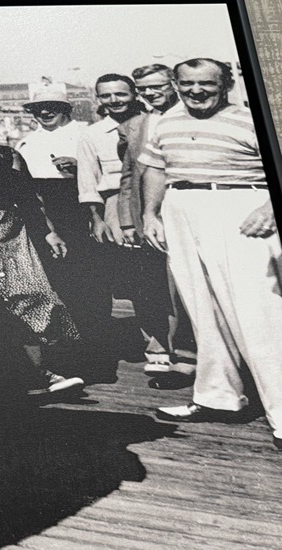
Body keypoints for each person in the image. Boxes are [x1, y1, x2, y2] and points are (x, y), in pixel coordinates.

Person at [140, 58, 282, 451]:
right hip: (181, 208)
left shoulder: (252, 119)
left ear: (227, 84)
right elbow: (155, 169)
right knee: (202, 309)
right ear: (176, 84)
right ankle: (218, 396)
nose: (196, 91)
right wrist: (150, 213)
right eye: (187, 84)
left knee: (259, 315)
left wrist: (270, 208)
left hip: (240, 208)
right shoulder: (165, 120)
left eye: (207, 84)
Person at [0, 100, 82, 396]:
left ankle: (41, 373)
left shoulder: (8, 155)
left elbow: (28, 198)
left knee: (29, 297)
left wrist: (48, 233)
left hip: (8, 232)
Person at [15, 83, 114, 380]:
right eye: (37, 108)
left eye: (53, 107)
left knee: (91, 285)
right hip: (44, 214)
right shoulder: (26, 143)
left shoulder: (87, 133)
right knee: (55, 284)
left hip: (81, 210)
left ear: (66, 109)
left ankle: (97, 357)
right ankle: (65, 357)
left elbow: (107, 174)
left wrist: (79, 167)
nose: (44, 112)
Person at [118, 63, 196, 388]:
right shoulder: (133, 125)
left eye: (157, 86)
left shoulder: (194, 116)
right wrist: (127, 222)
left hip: (189, 212)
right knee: (155, 287)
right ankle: (161, 347)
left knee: (187, 286)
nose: (150, 93)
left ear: (174, 84)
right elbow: (128, 177)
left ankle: (190, 353)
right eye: (143, 89)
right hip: (148, 219)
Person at [76, 74, 151, 366]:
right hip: (114, 204)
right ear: (98, 99)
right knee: (135, 274)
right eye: (106, 95)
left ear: (134, 94)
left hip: (154, 200)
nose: (114, 100)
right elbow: (87, 181)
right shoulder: (92, 134)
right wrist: (96, 218)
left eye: (121, 94)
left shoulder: (152, 124)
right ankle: (152, 343)